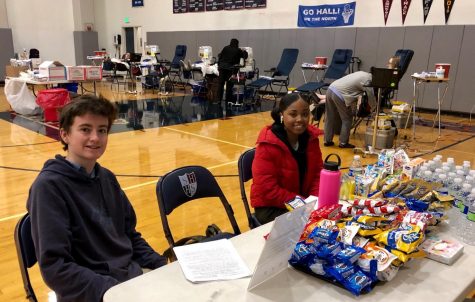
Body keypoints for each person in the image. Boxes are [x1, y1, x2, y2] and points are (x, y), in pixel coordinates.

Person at [27, 95, 167, 302]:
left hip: (129, 279)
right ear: (64, 135)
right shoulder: (49, 188)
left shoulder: (106, 178)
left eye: (102, 130)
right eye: (85, 129)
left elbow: (130, 236)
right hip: (94, 292)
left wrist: (162, 265)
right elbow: (56, 268)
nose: (95, 137)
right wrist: (115, 291)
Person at [250, 93, 324, 224]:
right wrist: (303, 204)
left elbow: (317, 174)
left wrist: (314, 200)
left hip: (302, 203)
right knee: (312, 224)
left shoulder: (311, 139)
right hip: (272, 207)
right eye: (293, 114)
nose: (300, 119)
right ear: (282, 115)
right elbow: (268, 190)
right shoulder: (267, 145)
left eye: (305, 114)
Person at [323, 71, 376, 148]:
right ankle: (343, 143)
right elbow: (371, 96)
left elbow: (353, 90)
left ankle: (327, 141)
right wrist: (374, 108)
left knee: (329, 116)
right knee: (347, 119)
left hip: (331, 88)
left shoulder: (362, 73)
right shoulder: (368, 81)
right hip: (339, 93)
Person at [217, 38, 248, 103]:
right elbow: (245, 56)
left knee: (220, 84)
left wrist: (219, 65)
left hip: (222, 68)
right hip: (230, 69)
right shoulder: (238, 50)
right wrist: (244, 51)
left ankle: (218, 100)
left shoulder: (225, 48)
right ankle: (228, 100)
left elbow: (220, 56)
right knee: (229, 85)